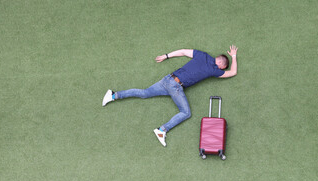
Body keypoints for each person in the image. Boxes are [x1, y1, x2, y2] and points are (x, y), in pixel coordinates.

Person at [102, 45, 238, 147]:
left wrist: (166, 55)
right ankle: (162, 130)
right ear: (221, 64)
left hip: (167, 79)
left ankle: (114, 95)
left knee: (144, 93)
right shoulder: (214, 70)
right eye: (223, 67)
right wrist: (234, 56)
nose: (222, 70)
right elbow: (233, 72)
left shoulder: (202, 55)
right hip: (176, 86)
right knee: (186, 113)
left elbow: (184, 51)